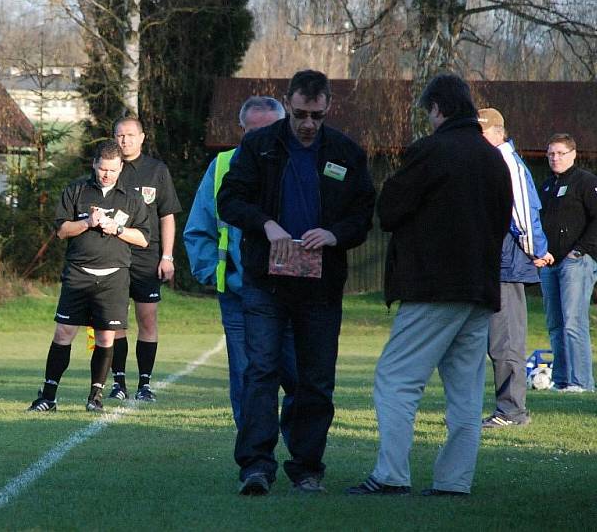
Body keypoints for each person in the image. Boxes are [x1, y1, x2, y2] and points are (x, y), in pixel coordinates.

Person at [346, 75, 512, 496]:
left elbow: (391, 209)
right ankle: (454, 481)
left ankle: (391, 475)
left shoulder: (432, 151)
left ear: (438, 108)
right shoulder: (495, 160)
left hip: (433, 286)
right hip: (480, 290)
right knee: (465, 393)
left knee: (396, 379)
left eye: (428, 112)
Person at [217, 70, 375, 495]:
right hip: (265, 283)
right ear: (288, 103)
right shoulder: (258, 146)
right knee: (261, 372)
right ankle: (255, 465)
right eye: (301, 114)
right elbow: (229, 200)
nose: (308, 124)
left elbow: (363, 215)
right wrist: (265, 224)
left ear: (328, 108)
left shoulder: (346, 152)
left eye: (316, 116)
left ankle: (307, 467)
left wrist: (334, 234)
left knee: (316, 379)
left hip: (320, 289)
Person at [183, 96, 297, 431]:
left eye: (271, 130)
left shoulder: (298, 164)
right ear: (242, 130)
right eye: (253, 132)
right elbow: (197, 229)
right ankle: (254, 460)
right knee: (248, 379)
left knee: (298, 379)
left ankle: (299, 458)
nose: (262, 140)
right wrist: (218, 274)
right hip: (239, 295)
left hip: (292, 293)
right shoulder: (221, 166)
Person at [27, 141, 150, 413]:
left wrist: (117, 228)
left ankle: (95, 396)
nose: (107, 174)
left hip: (114, 277)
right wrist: (87, 223)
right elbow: (61, 230)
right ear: (95, 164)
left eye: (113, 170)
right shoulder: (76, 191)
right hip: (78, 274)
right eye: (103, 168)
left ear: (121, 168)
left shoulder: (132, 198)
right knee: (63, 332)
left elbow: (142, 239)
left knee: (106, 338)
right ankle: (48, 396)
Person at [477, 108, 553, 429]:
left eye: (482, 133)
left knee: (505, 340)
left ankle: (512, 411)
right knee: (495, 339)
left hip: (508, 262)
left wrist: (537, 249)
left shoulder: (507, 163)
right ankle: (505, 409)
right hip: (497, 262)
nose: (477, 139)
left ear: (498, 132)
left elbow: (522, 212)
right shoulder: (495, 162)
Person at [107, 117, 181, 402]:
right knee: (116, 321)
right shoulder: (109, 168)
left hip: (147, 257)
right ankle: (118, 383)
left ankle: (145, 384)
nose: (124, 140)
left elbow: (167, 216)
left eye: (129, 135)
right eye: (119, 135)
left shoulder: (156, 170)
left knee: (147, 318)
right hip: (113, 255)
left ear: (142, 137)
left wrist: (167, 256)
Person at [538, 133, 597, 392]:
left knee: (573, 321)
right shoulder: (546, 186)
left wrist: (579, 251)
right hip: (550, 263)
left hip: (576, 262)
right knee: (555, 324)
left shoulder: (587, 182)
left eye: (560, 153)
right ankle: (562, 379)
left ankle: (581, 382)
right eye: (551, 154)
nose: (555, 158)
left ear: (573, 154)